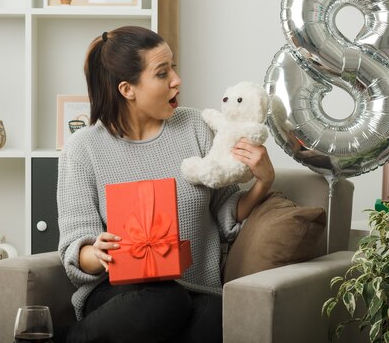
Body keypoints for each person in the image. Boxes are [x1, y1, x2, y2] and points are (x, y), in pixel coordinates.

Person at [56, 25, 275, 343]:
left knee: (216, 316)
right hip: (118, 294)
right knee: (166, 299)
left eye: (173, 67)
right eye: (162, 73)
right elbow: (75, 250)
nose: (176, 79)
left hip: (196, 289)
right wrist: (97, 252)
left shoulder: (195, 127)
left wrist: (263, 181)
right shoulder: (83, 148)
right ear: (127, 89)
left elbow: (225, 211)